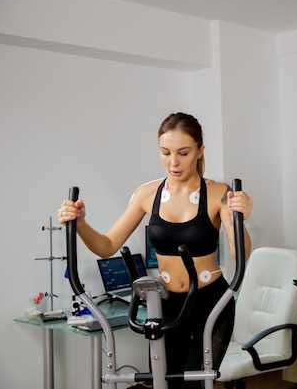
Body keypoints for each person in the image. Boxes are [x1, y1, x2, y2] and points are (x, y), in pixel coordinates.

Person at [58, 112, 253, 389]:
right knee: (162, 383)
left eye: (183, 153)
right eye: (165, 152)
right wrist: (80, 224)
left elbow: (240, 253)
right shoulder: (146, 194)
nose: (173, 162)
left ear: (200, 151)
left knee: (194, 384)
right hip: (164, 303)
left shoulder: (220, 193)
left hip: (210, 302)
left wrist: (239, 218)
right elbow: (106, 246)